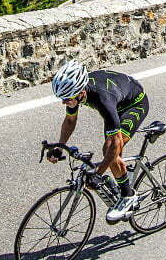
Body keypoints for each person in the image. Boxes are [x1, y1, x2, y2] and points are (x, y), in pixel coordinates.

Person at [48, 61, 150, 223]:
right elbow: (69, 121)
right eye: (62, 98)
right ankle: (122, 175)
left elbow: (114, 145)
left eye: (67, 98)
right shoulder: (76, 93)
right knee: (111, 156)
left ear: (81, 92)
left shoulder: (102, 99)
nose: (63, 102)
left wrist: (98, 173)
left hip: (134, 105)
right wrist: (59, 147)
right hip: (117, 100)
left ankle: (128, 195)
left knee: (109, 150)